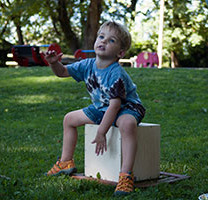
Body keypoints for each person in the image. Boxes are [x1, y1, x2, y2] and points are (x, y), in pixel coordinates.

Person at [44, 21, 145, 196]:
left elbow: (115, 106)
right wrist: (54, 63)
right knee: (69, 119)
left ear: (120, 53)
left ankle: (126, 175)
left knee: (127, 124)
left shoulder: (116, 73)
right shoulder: (87, 65)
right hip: (101, 108)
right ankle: (65, 162)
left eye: (111, 40)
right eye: (101, 36)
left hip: (126, 107)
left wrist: (101, 132)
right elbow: (62, 72)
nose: (104, 41)